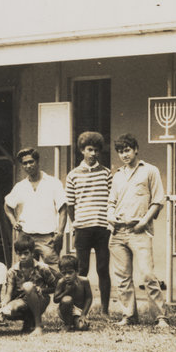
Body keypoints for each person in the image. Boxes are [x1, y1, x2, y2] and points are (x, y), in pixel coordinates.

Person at [107, 134, 168, 328]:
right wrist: (110, 216)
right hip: (118, 231)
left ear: (135, 150)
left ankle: (161, 316)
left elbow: (158, 200)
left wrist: (144, 221)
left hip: (139, 230)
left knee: (148, 275)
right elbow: (111, 202)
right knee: (122, 277)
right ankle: (129, 315)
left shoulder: (150, 170)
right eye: (120, 151)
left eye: (127, 150)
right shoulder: (117, 175)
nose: (124, 155)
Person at [65, 131, 112, 316]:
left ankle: (105, 310)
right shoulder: (73, 175)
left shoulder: (106, 173)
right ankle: (79, 309)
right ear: (82, 151)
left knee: (102, 268)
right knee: (82, 270)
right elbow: (70, 204)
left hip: (102, 227)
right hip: (83, 227)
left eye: (96, 150)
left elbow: (111, 200)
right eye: (89, 150)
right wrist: (76, 223)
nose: (93, 154)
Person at [3, 148, 67, 265]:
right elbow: (7, 206)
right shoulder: (20, 186)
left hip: (48, 237)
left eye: (31, 162)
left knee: (53, 269)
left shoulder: (53, 182)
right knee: (26, 270)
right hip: (26, 236)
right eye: (25, 163)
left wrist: (60, 232)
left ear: (37, 162)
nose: (28, 165)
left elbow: (63, 209)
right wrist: (13, 222)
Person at [0, 234, 59, 336]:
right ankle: (28, 321)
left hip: (40, 299)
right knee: (8, 310)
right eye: (19, 254)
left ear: (32, 252)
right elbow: (8, 293)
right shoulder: (12, 271)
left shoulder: (42, 268)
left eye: (26, 253)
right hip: (21, 301)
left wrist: (42, 290)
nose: (22, 257)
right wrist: (4, 303)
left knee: (28, 286)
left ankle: (38, 326)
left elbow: (55, 287)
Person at [53, 253, 92, 331]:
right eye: (64, 273)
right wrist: (66, 291)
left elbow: (89, 298)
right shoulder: (61, 282)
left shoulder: (84, 281)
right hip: (65, 310)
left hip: (79, 311)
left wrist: (83, 315)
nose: (67, 276)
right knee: (67, 299)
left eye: (70, 273)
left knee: (82, 327)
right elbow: (55, 299)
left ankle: (74, 322)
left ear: (77, 271)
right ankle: (68, 324)